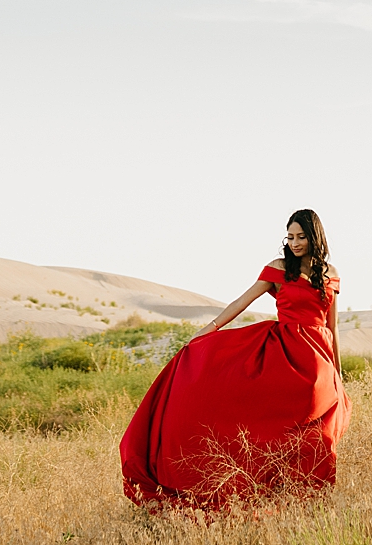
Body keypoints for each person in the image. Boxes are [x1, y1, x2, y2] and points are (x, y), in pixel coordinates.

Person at [120, 209, 351, 505]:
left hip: (318, 362)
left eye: (301, 237)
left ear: (314, 237)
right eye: (290, 236)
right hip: (286, 356)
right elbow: (241, 302)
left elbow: (332, 326)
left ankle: (309, 497)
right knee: (275, 425)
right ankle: (263, 488)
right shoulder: (279, 268)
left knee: (317, 432)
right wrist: (207, 330)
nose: (294, 243)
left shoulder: (330, 273)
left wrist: (338, 371)